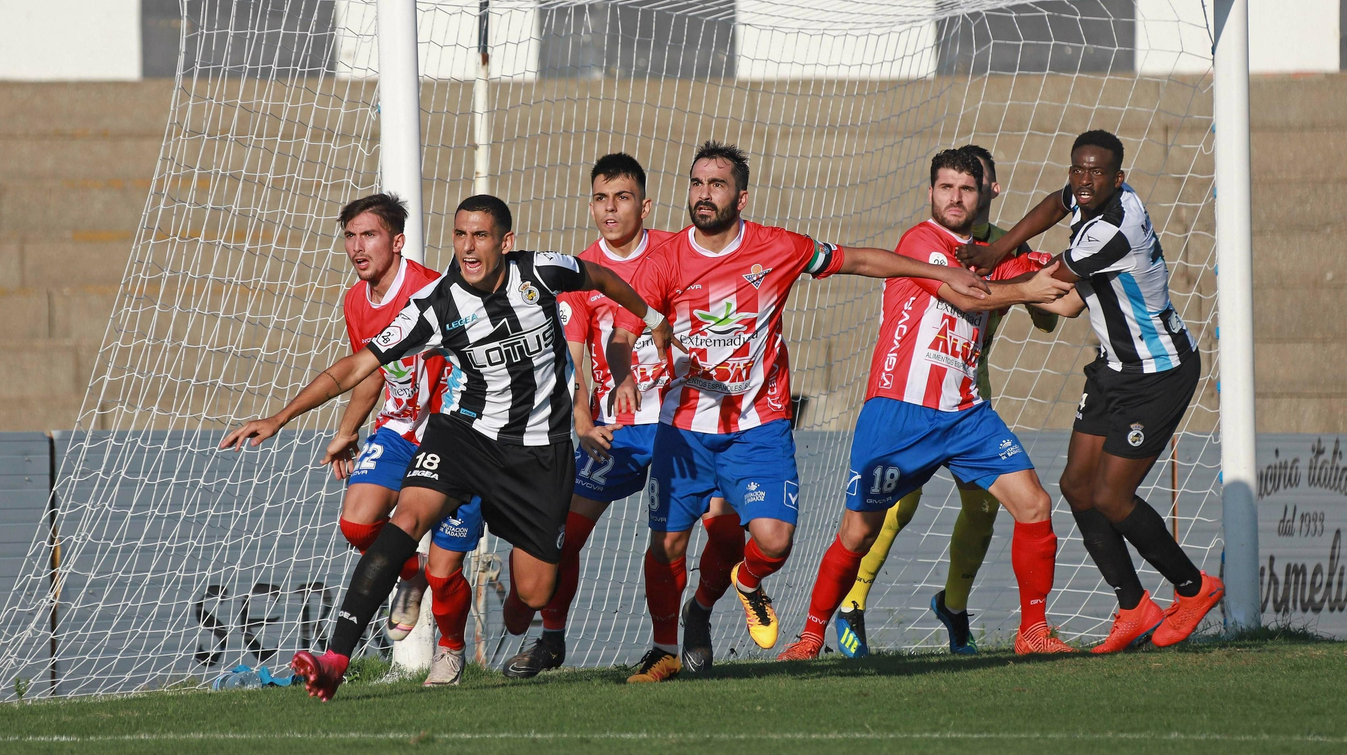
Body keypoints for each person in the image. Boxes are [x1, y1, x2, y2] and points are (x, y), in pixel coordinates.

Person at [220, 194, 673, 702]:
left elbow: (602, 278)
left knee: (533, 592)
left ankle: (528, 615)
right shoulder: (436, 305)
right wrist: (280, 416)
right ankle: (335, 659)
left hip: (540, 452)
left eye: (480, 236)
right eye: (459, 235)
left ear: (506, 242)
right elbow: (357, 366)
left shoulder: (543, 271)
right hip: (465, 435)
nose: (468, 247)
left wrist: (652, 316)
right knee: (406, 519)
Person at [612, 141, 992, 677]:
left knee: (774, 540)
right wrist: (625, 374)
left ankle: (741, 587)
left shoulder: (778, 247)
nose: (703, 194)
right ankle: (667, 647)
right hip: (685, 427)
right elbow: (624, 333)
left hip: (759, 426)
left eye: (716, 184)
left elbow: (858, 260)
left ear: (740, 197)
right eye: (697, 183)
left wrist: (941, 275)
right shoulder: (665, 259)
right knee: (667, 544)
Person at [779, 147, 1078, 661]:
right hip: (899, 411)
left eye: (965, 188)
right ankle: (809, 638)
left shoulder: (1003, 254)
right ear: (931, 192)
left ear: (984, 191)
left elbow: (1068, 303)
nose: (955, 197)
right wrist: (1029, 286)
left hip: (965, 412)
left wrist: (1090, 259)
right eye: (946, 187)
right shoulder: (922, 242)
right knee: (860, 530)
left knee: (1034, 505)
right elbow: (967, 297)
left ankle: (1032, 631)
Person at [957, 129, 1222, 653]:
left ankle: (1193, 589)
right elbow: (1056, 204)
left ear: (1117, 179)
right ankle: (1133, 608)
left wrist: (981, 289)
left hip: (1157, 373)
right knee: (1078, 487)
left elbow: (1050, 289)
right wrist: (998, 250)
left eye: (1095, 173)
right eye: (1078, 169)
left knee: (1110, 495)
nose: (1082, 180)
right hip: (1112, 368)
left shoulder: (1114, 232)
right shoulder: (1087, 195)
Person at [499, 154, 744, 684]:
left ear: (645, 204)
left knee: (723, 535)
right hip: (622, 429)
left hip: (690, 423)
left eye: (623, 197)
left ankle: (693, 619)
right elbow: (574, 357)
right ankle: (553, 638)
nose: (610, 209)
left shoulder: (676, 254)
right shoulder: (578, 270)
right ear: (591, 205)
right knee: (564, 533)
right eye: (601, 199)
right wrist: (582, 420)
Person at [326, 193, 484, 675]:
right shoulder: (356, 300)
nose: (357, 246)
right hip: (397, 430)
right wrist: (347, 429)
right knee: (356, 523)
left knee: (447, 571)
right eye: (350, 236)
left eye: (368, 235)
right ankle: (406, 571)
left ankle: (451, 649)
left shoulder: (434, 292)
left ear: (396, 242)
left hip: (453, 437)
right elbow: (370, 371)